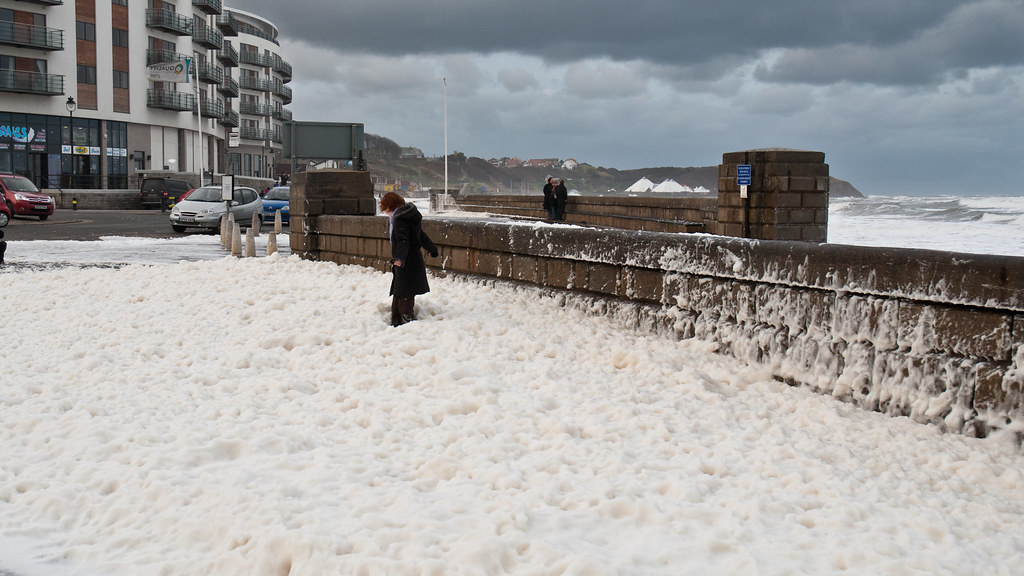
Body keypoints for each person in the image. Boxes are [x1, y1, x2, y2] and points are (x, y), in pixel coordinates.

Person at [379, 192, 438, 326]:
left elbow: (403, 241)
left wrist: (399, 258)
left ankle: (405, 321)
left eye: (385, 209)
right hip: (411, 259)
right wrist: (432, 248)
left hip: (406, 261)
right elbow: (420, 236)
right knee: (401, 290)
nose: (384, 212)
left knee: (404, 290)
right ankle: (397, 320)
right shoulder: (409, 216)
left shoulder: (399, 219)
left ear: (390, 207)